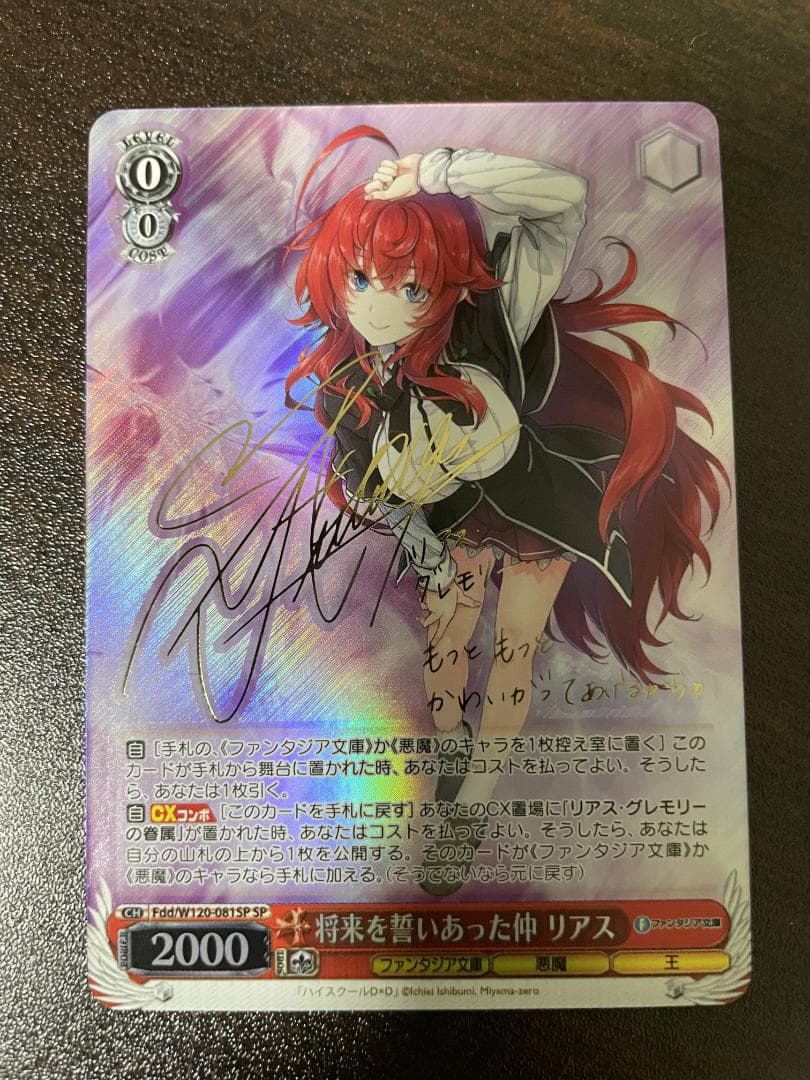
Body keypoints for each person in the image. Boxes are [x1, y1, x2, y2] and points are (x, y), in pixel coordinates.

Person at [285, 126, 725, 894]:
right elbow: (363, 478)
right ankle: (455, 758)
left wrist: (439, 170)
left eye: (412, 287)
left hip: (533, 508)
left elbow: (563, 202)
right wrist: (409, 525)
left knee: (514, 647)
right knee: (447, 640)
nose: (382, 306)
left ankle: (471, 806)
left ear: (450, 284)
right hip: (448, 521)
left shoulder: (493, 315)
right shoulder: (345, 378)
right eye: (360, 279)